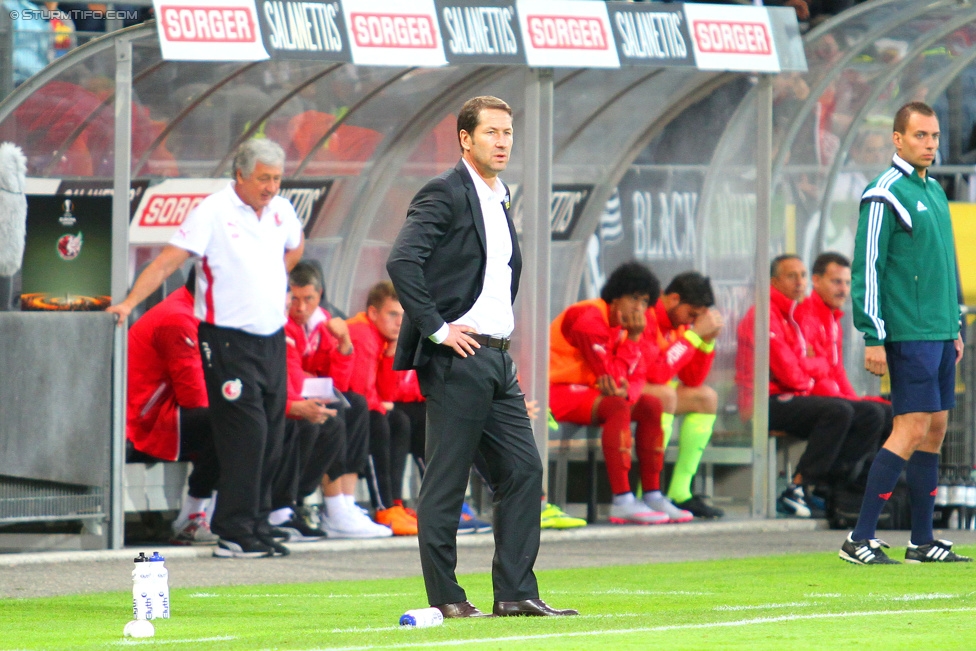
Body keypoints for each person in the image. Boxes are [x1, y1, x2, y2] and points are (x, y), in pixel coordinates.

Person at [387, 95, 577, 618]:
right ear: (466, 139)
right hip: (458, 356)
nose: (502, 141)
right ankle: (446, 598)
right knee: (447, 480)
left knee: (523, 471)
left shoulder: (500, 195)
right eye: (491, 132)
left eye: (508, 133)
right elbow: (403, 260)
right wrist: (439, 330)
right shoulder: (444, 192)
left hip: (497, 357)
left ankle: (515, 592)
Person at [108, 139, 304, 559]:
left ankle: (256, 523)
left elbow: (296, 246)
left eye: (276, 179)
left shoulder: (282, 211)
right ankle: (232, 531)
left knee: (272, 432)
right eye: (263, 179)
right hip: (226, 338)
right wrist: (128, 302)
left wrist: (272, 273)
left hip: (271, 337)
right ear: (241, 176)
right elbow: (166, 262)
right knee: (246, 434)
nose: (271, 187)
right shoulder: (212, 212)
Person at [840, 101, 971, 565]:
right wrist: (872, 334)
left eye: (934, 136)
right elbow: (867, 268)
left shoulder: (933, 190)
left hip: (937, 330)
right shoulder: (884, 193)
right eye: (920, 136)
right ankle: (859, 538)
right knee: (910, 427)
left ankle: (921, 540)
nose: (930, 144)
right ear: (897, 139)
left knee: (934, 429)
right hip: (907, 331)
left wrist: (955, 324)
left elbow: (945, 265)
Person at [735, 254, 885, 517]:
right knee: (839, 411)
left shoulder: (791, 314)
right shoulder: (767, 315)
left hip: (792, 395)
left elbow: (812, 367)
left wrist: (819, 374)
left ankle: (834, 490)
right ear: (774, 282)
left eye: (802, 275)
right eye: (792, 276)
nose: (799, 282)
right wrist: (816, 370)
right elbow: (793, 374)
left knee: (873, 413)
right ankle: (799, 486)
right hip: (763, 402)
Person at [550, 262, 672, 526]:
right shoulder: (589, 319)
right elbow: (612, 376)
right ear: (616, 296)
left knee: (651, 404)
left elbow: (637, 375)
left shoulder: (627, 326)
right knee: (617, 406)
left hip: (589, 394)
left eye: (645, 301)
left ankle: (652, 494)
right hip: (553, 391)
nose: (639, 307)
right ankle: (622, 500)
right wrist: (633, 341)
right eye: (634, 298)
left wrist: (629, 390)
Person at [287, 263, 390, 539]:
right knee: (337, 414)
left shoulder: (322, 322)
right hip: (287, 402)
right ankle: (332, 507)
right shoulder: (283, 322)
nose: (301, 306)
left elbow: (341, 384)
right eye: (294, 299)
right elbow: (291, 373)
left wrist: (344, 343)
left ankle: (344, 501)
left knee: (354, 404)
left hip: (306, 393)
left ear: (319, 296)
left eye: (308, 299)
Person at [125, 269, 218, 546]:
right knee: (228, 422)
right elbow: (194, 397)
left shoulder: (198, 311)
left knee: (256, 415)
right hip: (147, 421)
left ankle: (264, 510)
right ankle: (192, 516)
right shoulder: (179, 318)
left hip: (168, 409)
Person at [795, 251, 891, 487]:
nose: (843, 289)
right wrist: (848, 398)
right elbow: (804, 368)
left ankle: (864, 484)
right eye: (836, 281)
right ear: (816, 281)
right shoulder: (805, 316)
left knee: (888, 412)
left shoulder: (832, 319)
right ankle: (832, 484)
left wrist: (852, 397)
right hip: (808, 398)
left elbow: (835, 370)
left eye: (848, 283)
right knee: (866, 413)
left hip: (828, 396)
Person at [641, 272, 725, 519]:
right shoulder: (647, 315)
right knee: (664, 394)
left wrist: (706, 342)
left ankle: (680, 492)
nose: (693, 322)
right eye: (691, 314)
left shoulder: (680, 324)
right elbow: (655, 374)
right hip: (626, 388)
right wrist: (694, 336)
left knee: (705, 397)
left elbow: (692, 379)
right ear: (674, 299)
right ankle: (647, 491)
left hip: (653, 392)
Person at [345, 281, 417, 536]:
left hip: (357, 405)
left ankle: (395, 503)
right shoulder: (363, 333)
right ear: (374, 313)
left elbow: (388, 394)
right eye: (392, 314)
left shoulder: (382, 339)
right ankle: (382, 506)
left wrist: (391, 354)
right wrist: (380, 405)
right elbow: (358, 391)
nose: (400, 322)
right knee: (378, 419)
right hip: (343, 408)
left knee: (398, 420)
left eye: (403, 316)